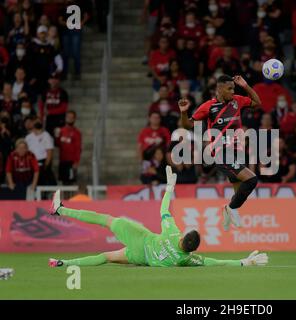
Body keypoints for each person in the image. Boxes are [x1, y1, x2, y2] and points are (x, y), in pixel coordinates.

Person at [48, 166, 268, 268]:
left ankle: (61, 210)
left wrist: (170, 187)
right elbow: (216, 263)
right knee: (106, 257)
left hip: (140, 238)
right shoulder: (188, 260)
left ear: (183, 239)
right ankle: (63, 263)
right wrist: (242, 262)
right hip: (141, 258)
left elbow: (163, 209)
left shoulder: (173, 234)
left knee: (104, 219)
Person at [179, 75, 261, 231]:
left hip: (237, 152)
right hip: (221, 153)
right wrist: (183, 112)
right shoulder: (208, 107)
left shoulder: (237, 100)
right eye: (229, 88)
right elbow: (187, 124)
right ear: (220, 89)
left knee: (240, 190)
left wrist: (245, 85)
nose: (232, 91)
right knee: (251, 180)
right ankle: (230, 208)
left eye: (233, 88)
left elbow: (257, 102)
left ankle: (230, 209)